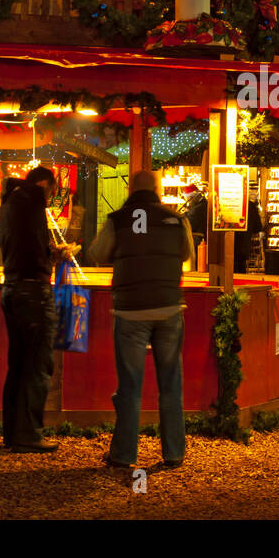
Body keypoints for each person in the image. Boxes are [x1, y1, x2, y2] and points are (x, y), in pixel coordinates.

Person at [88, 170, 194, 469]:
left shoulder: (117, 220)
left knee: (130, 386)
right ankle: (174, 453)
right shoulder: (177, 219)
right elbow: (186, 253)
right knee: (171, 384)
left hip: (130, 311)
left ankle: (124, 454)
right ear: (157, 189)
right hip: (169, 309)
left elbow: (97, 253)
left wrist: (124, 253)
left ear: (130, 189)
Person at [0, 165, 64, 453]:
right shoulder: (33, 199)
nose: (49, 200)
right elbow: (34, 254)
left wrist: (46, 250)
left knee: (18, 364)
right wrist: (54, 254)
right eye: (52, 193)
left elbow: (24, 246)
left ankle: (13, 433)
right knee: (37, 364)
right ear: (46, 185)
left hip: (12, 289)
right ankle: (30, 434)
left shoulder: (9, 201)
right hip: (33, 291)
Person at [234, 194, 263, 273]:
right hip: (244, 243)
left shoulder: (231, 205)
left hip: (230, 243)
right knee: (241, 267)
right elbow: (258, 227)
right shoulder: (251, 206)